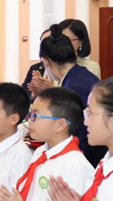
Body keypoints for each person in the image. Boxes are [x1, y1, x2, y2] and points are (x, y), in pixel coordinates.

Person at [38, 24, 105, 166]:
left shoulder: (75, 86)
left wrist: (68, 161)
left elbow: (84, 132)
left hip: (89, 158)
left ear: (47, 61)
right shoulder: (77, 76)